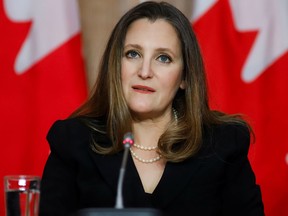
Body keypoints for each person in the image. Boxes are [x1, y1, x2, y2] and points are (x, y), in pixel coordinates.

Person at [39, 1, 265, 216]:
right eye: (133, 54)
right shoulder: (72, 141)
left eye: (163, 58)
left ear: (184, 77)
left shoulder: (223, 144)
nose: (145, 71)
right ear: (115, 65)